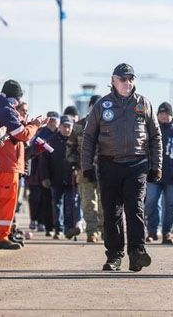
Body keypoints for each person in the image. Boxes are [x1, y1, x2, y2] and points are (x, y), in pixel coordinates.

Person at [82, 64, 162, 272]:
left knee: (135, 209)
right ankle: (114, 256)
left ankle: (137, 253)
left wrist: (156, 166)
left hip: (137, 164)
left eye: (131, 79)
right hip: (109, 164)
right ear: (113, 81)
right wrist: (87, 166)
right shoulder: (102, 105)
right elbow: (89, 138)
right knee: (112, 213)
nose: (128, 83)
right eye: (123, 79)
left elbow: (155, 136)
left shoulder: (144, 104)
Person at [0, 80, 46, 250]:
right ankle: (1, 237)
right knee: (6, 202)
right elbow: (22, 134)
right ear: (16, 97)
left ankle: (3, 234)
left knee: (4, 202)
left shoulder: (2, 108)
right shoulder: (7, 111)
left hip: (6, 163)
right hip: (7, 164)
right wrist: (35, 125)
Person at [144, 102, 173, 245]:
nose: (164, 116)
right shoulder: (151, 129)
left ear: (171, 115)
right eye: (161, 114)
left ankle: (167, 233)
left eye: (166, 113)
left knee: (171, 206)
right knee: (150, 203)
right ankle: (152, 231)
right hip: (153, 175)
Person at [42, 114, 78, 239]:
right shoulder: (51, 141)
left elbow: (80, 158)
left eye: (69, 126)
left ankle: (68, 228)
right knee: (56, 204)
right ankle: (58, 229)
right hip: (55, 178)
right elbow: (44, 160)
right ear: (60, 126)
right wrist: (45, 177)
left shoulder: (75, 142)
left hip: (71, 179)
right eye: (64, 126)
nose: (67, 129)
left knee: (70, 204)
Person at [74, 95, 103, 243]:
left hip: (105, 170)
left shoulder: (109, 124)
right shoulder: (79, 125)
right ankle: (92, 232)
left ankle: (105, 230)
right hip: (85, 170)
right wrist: (75, 166)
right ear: (90, 107)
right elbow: (70, 148)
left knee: (105, 202)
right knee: (88, 202)